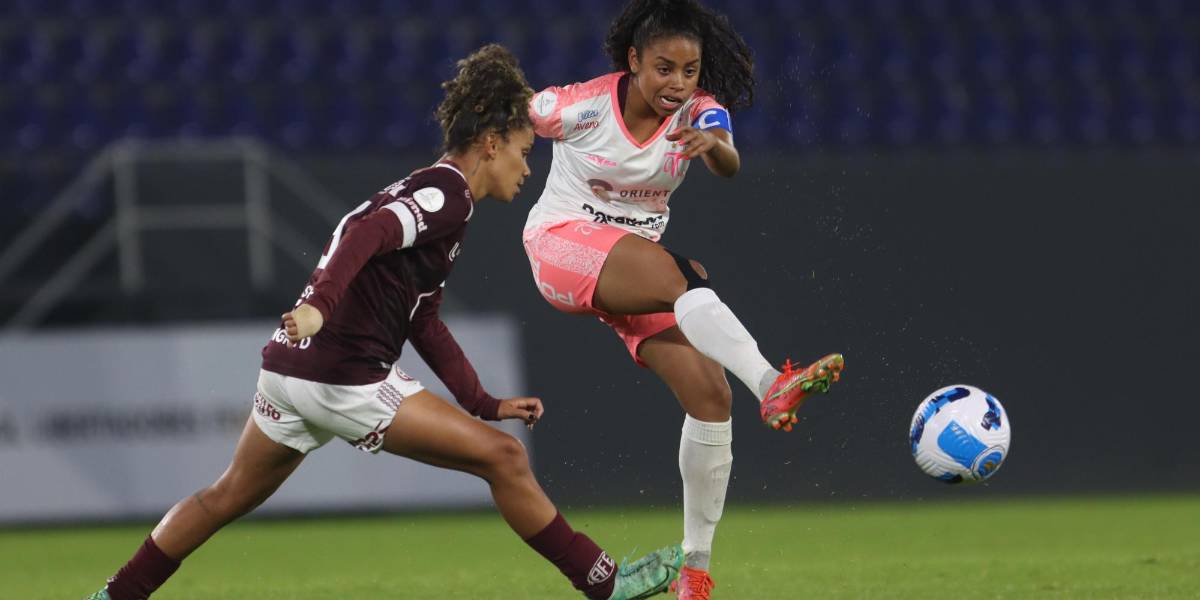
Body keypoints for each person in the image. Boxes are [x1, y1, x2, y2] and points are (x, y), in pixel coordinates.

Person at [85, 45, 681, 600]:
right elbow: (367, 233)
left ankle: (113, 595)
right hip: (342, 375)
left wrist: (481, 400)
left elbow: (424, 321)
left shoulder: (442, 200)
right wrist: (319, 302)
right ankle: (605, 583)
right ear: (493, 142)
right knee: (505, 460)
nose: (527, 171)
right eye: (525, 152)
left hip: (290, 369)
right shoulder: (445, 194)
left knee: (222, 498)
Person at [521, 1, 845, 598]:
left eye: (690, 71)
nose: (677, 84)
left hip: (630, 267)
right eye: (664, 68)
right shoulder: (580, 104)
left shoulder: (699, 111)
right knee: (684, 275)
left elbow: (728, 157)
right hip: (560, 247)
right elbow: (515, 113)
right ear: (634, 61)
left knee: (711, 396)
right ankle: (774, 383)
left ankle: (694, 572)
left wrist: (712, 145)